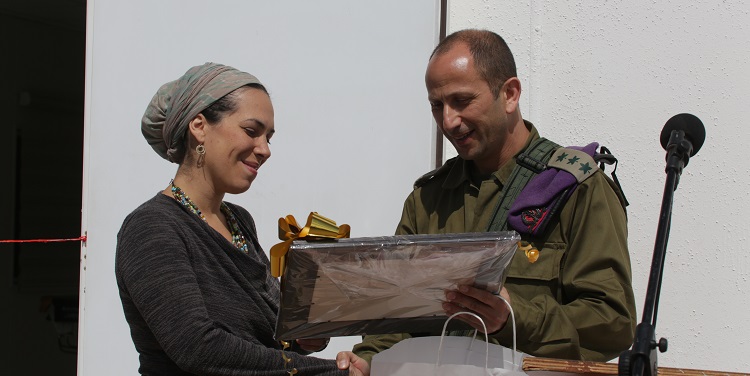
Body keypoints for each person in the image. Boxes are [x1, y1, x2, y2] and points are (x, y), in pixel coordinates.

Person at [353, 29, 637, 362]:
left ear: (510, 94)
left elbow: (613, 324)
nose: (448, 121)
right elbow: (395, 310)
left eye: (461, 101)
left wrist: (513, 318)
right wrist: (368, 360)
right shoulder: (428, 200)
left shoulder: (577, 189)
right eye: (436, 105)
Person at [116, 62, 369, 376]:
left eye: (269, 137)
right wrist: (329, 372)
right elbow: (198, 347)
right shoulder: (152, 227)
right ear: (199, 126)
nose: (264, 149)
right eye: (251, 131)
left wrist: (304, 334)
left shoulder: (238, 222)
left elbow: (266, 336)